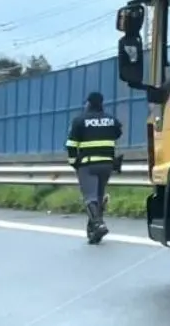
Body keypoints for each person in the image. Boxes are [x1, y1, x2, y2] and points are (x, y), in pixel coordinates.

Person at [65, 91, 123, 244]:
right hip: (107, 164)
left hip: (88, 164)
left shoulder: (79, 120)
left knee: (90, 197)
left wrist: (73, 162)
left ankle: (98, 224)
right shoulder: (111, 120)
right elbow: (117, 134)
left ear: (88, 103)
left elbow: (71, 145)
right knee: (99, 195)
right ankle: (95, 228)